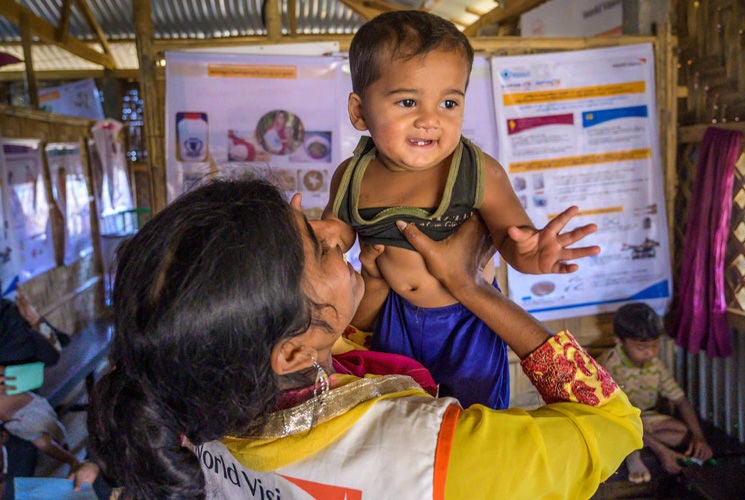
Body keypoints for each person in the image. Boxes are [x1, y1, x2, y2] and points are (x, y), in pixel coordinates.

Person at [87, 178, 641, 499]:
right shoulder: (432, 455)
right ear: (292, 352)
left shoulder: (200, 403)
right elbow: (612, 423)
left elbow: (346, 348)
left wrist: (371, 287)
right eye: (317, 245)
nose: (337, 229)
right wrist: (470, 288)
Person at [322, 10, 600, 409]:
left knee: (476, 414)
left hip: (469, 320)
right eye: (407, 101)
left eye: (449, 102)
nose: (430, 120)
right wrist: (323, 235)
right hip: (393, 317)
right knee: (402, 413)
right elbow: (340, 230)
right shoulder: (352, 175)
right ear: (360, 112)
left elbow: (511, 237)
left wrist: (530, 254)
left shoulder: (476, 172)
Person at [598, 302, 714, 483]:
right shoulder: (609, 366)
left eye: (655, 346)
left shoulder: (655, 365)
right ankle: (635, 454)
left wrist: (700, 438)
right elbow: (612, 416)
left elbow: (680, 400)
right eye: (641, 348)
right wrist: (663, 452)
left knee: (683, 433)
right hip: (614, 421)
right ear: (619, 341)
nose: (650, 353)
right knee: (620, 428)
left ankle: (634, 446)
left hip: (643, 420)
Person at [0, 288, 97, 492]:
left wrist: (35, 319)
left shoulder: (10, 314)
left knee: (17, 480)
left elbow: (55, 352)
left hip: (21, 417)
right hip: (18, 417)